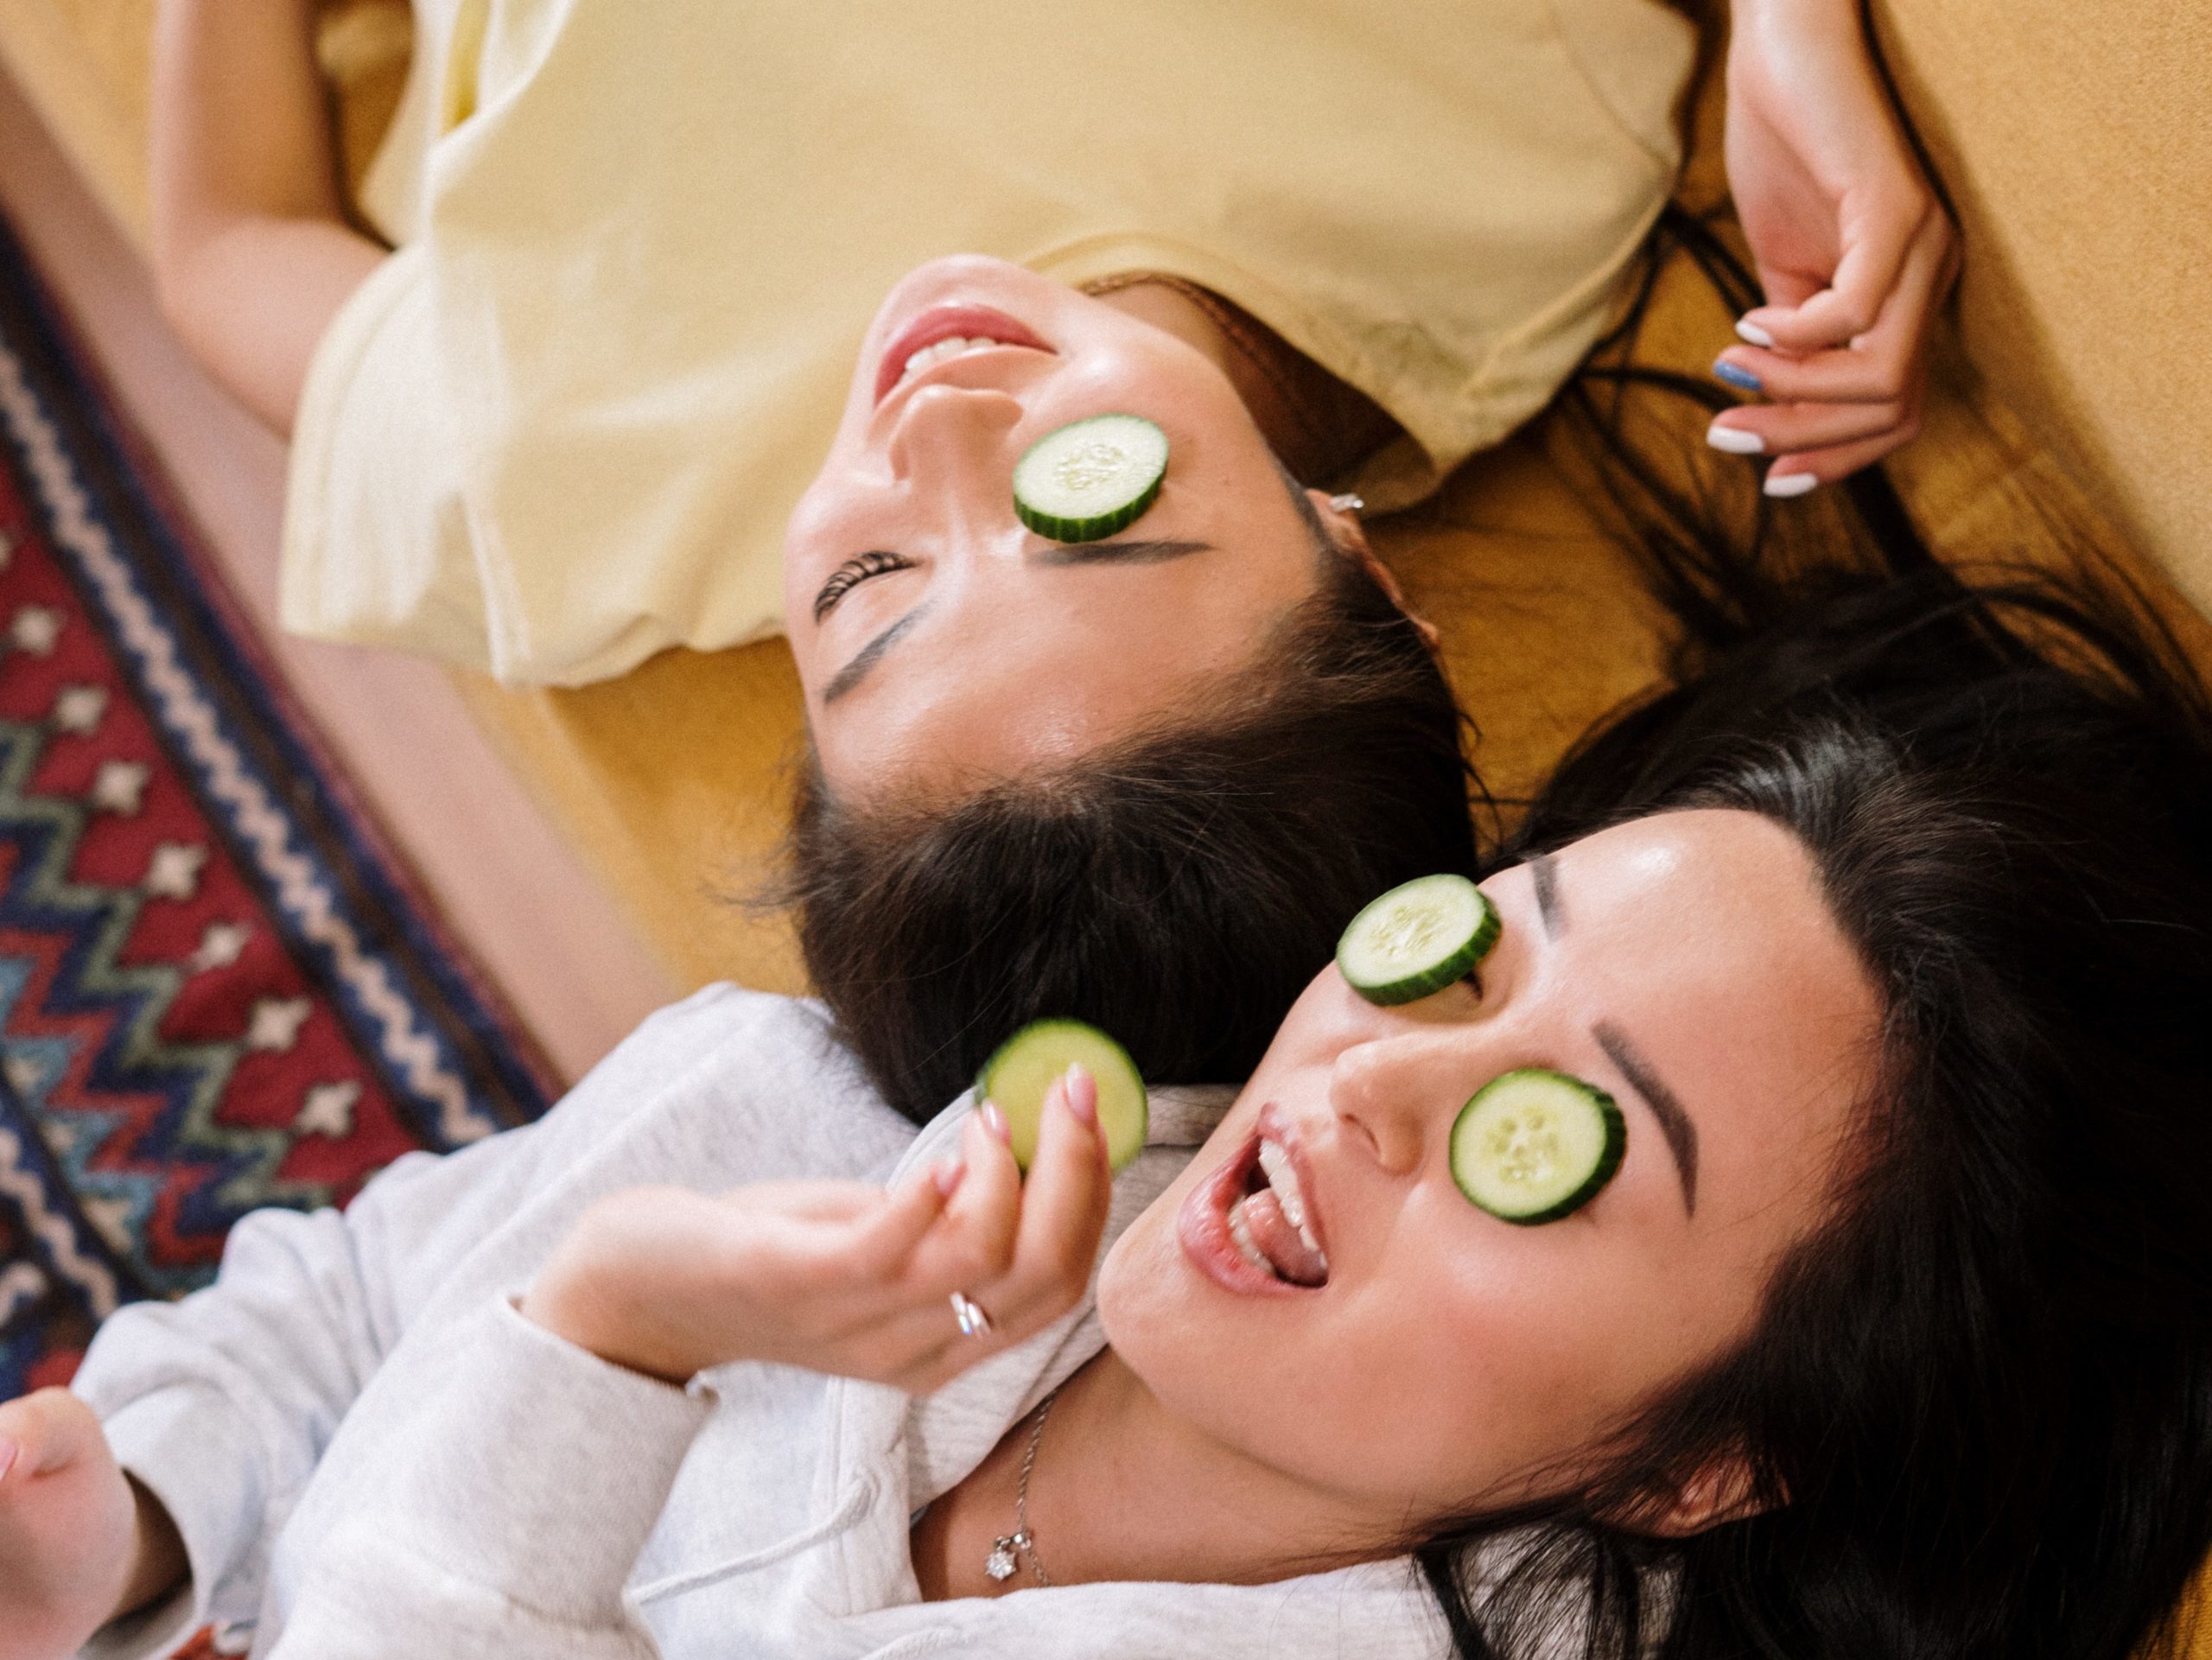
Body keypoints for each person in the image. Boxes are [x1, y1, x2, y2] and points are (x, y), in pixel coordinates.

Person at [5, 485, 2209, 1657]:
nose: (1361, 1088)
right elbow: (375, 1297)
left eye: (1562, 1147)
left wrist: (608, 1337)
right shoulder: (867, 1104)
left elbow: (522, 1334)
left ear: (1705, 1464)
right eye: (1465, 956)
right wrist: (137, 1505)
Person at [141, 0, 1959, 1126]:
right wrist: (1795, 26)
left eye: (865, 597)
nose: (931, 433)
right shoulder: (1504, 172)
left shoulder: (555, 488)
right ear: (1364, 570)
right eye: (1092, 513)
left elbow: (224, 248)